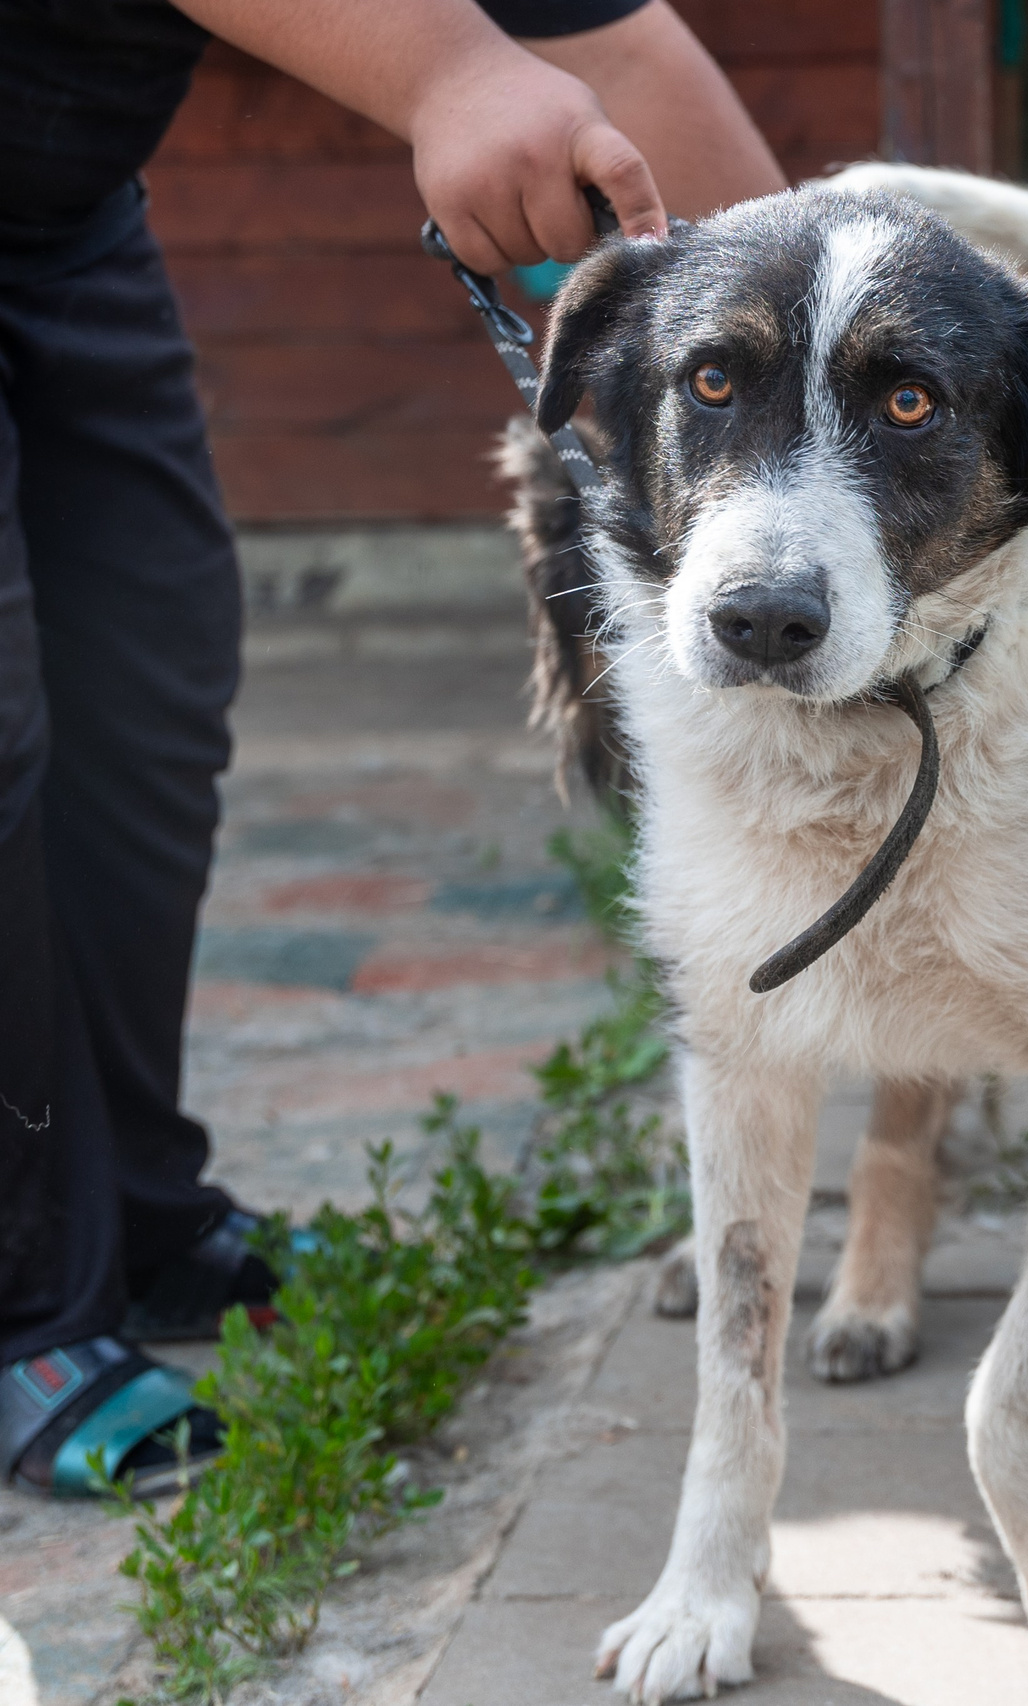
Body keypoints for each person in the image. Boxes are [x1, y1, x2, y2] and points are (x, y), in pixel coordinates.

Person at [0, 0, 785, 1497]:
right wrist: (448, 70)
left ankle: (136, 1210)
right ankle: (20, 1298)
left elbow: (617, 52)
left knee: (147, 681)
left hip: (57, 215)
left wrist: (837, 310)